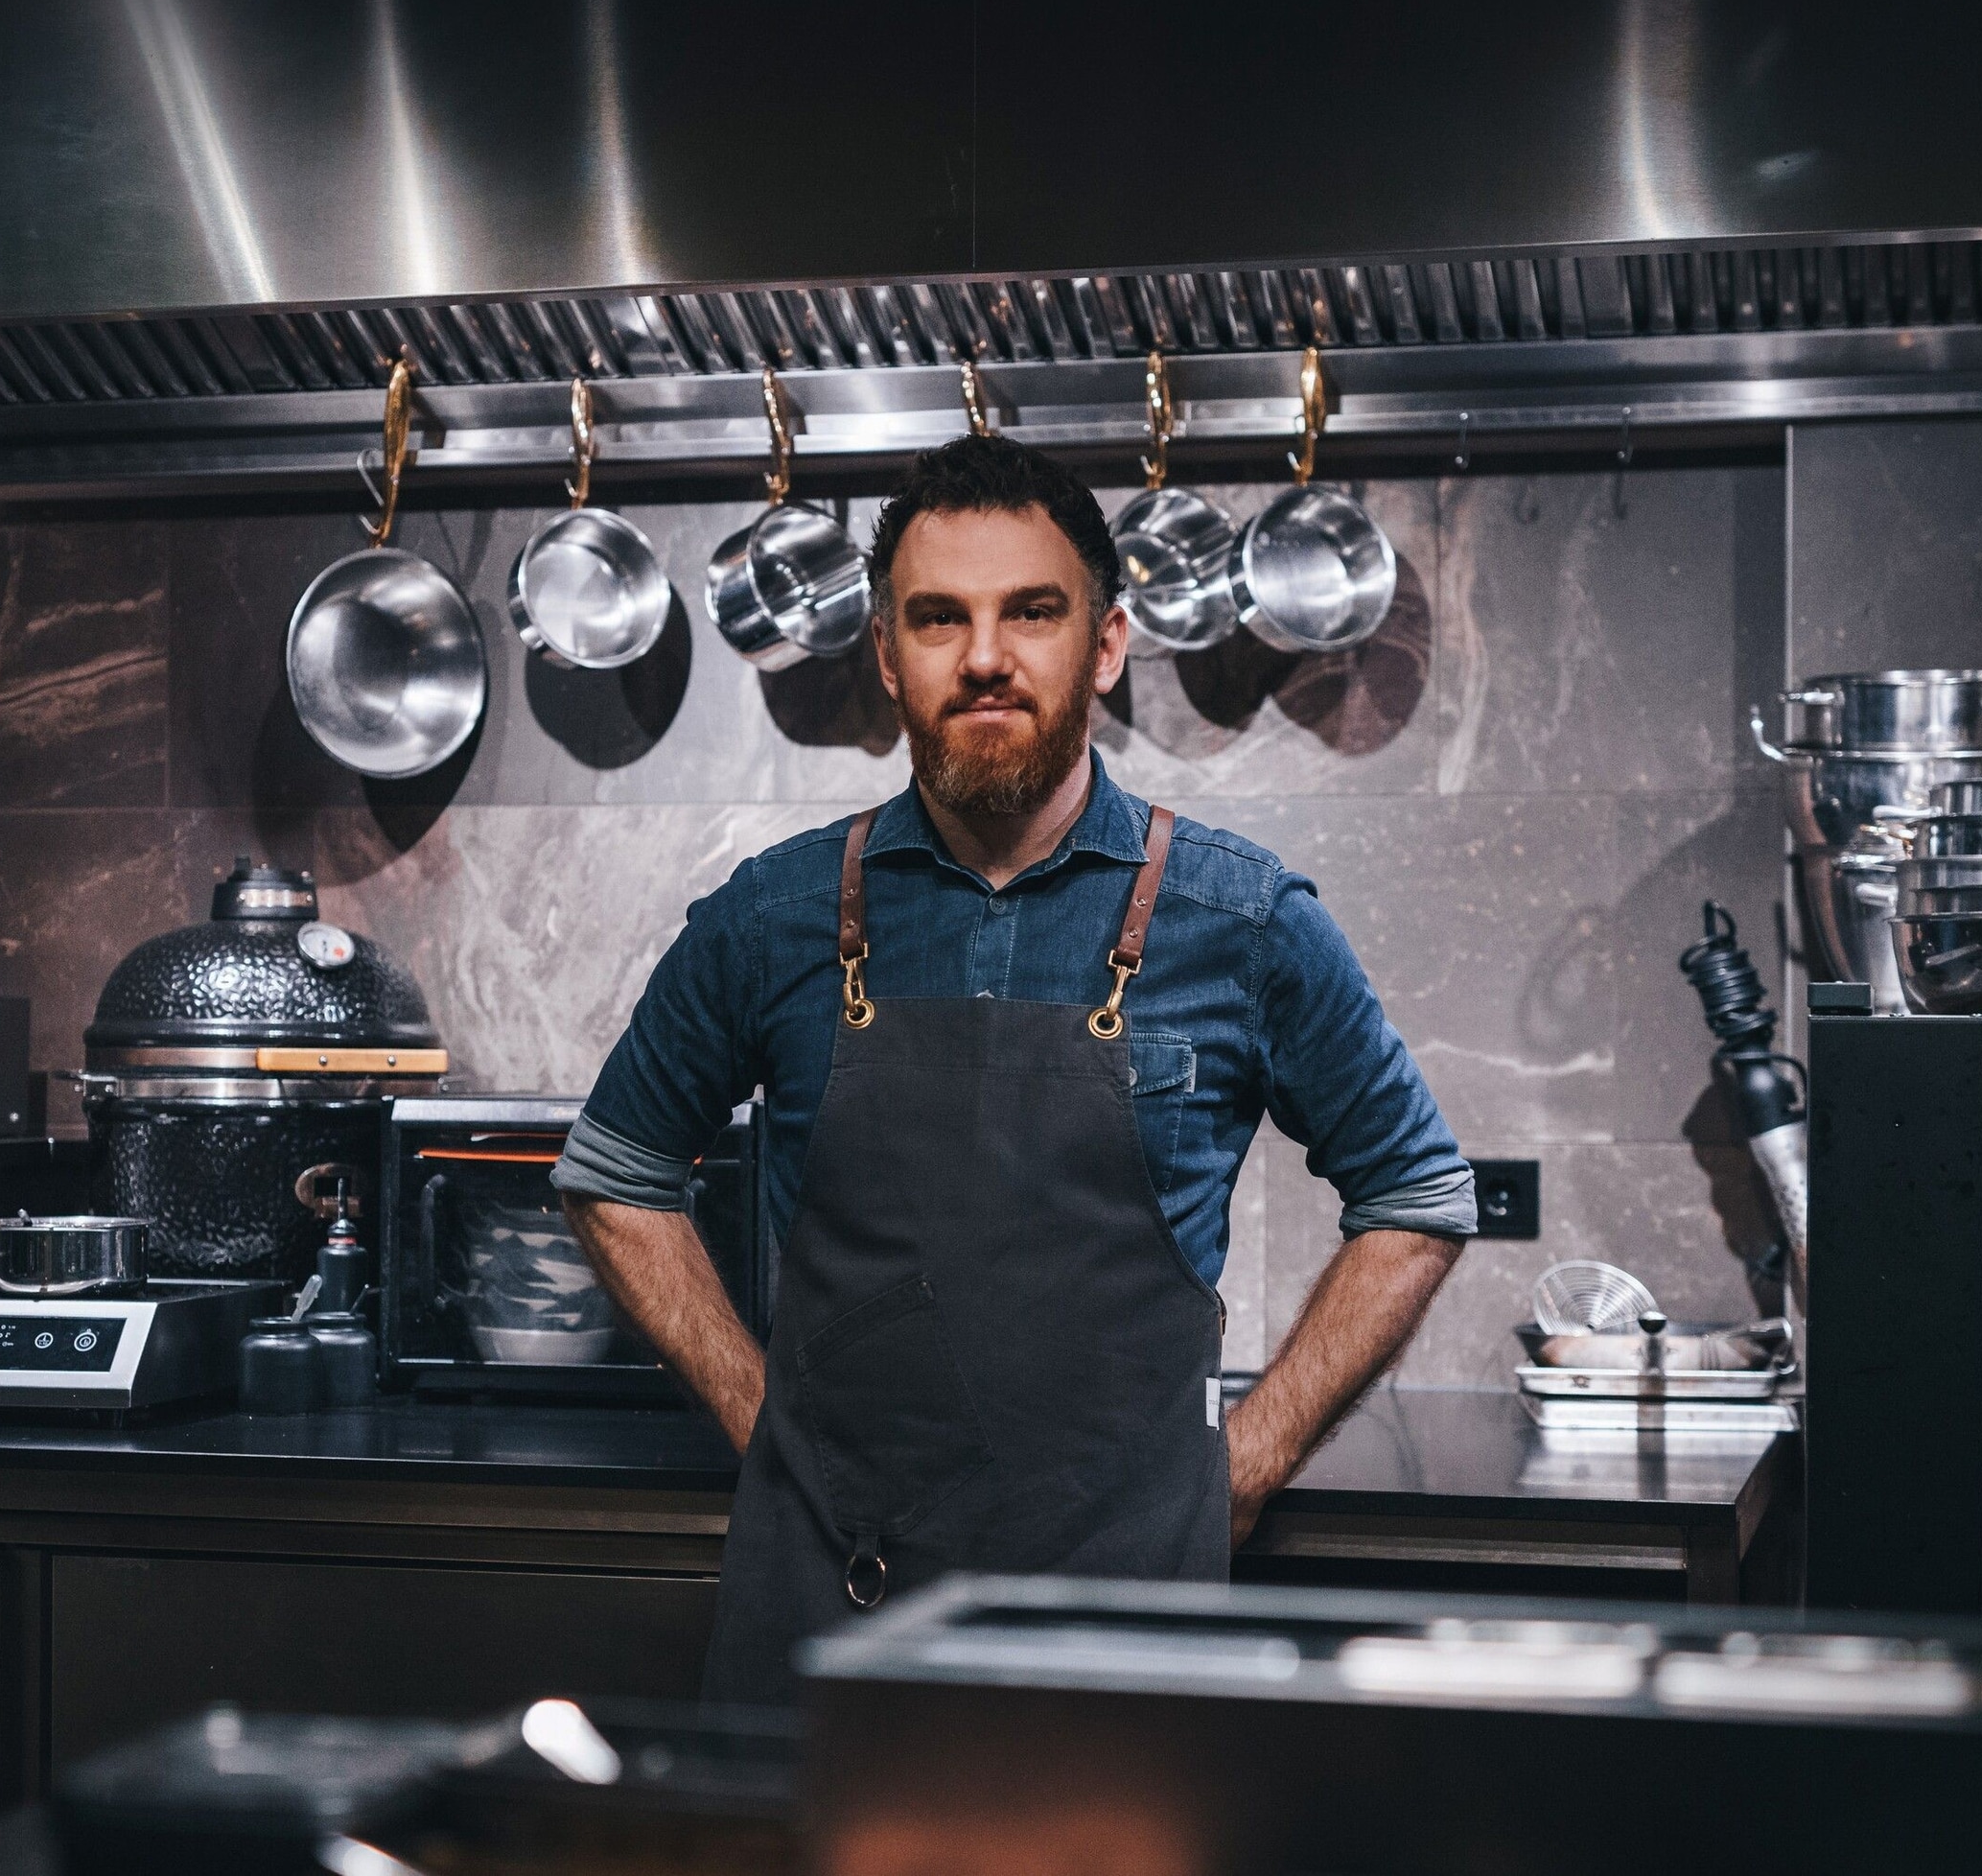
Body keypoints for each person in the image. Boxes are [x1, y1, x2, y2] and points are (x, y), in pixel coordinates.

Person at [551, 434, 1473, 1704]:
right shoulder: (769, 917)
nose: (985, 656)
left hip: (1127, 1629)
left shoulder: (1247, 920)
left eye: (1032, 611)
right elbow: (616, 1174)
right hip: (828, 1610)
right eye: (940, 618)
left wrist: (1248, 1460)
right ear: (889, 657)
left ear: (1106, 645)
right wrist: (758, 1413)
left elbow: (1416, 1196)